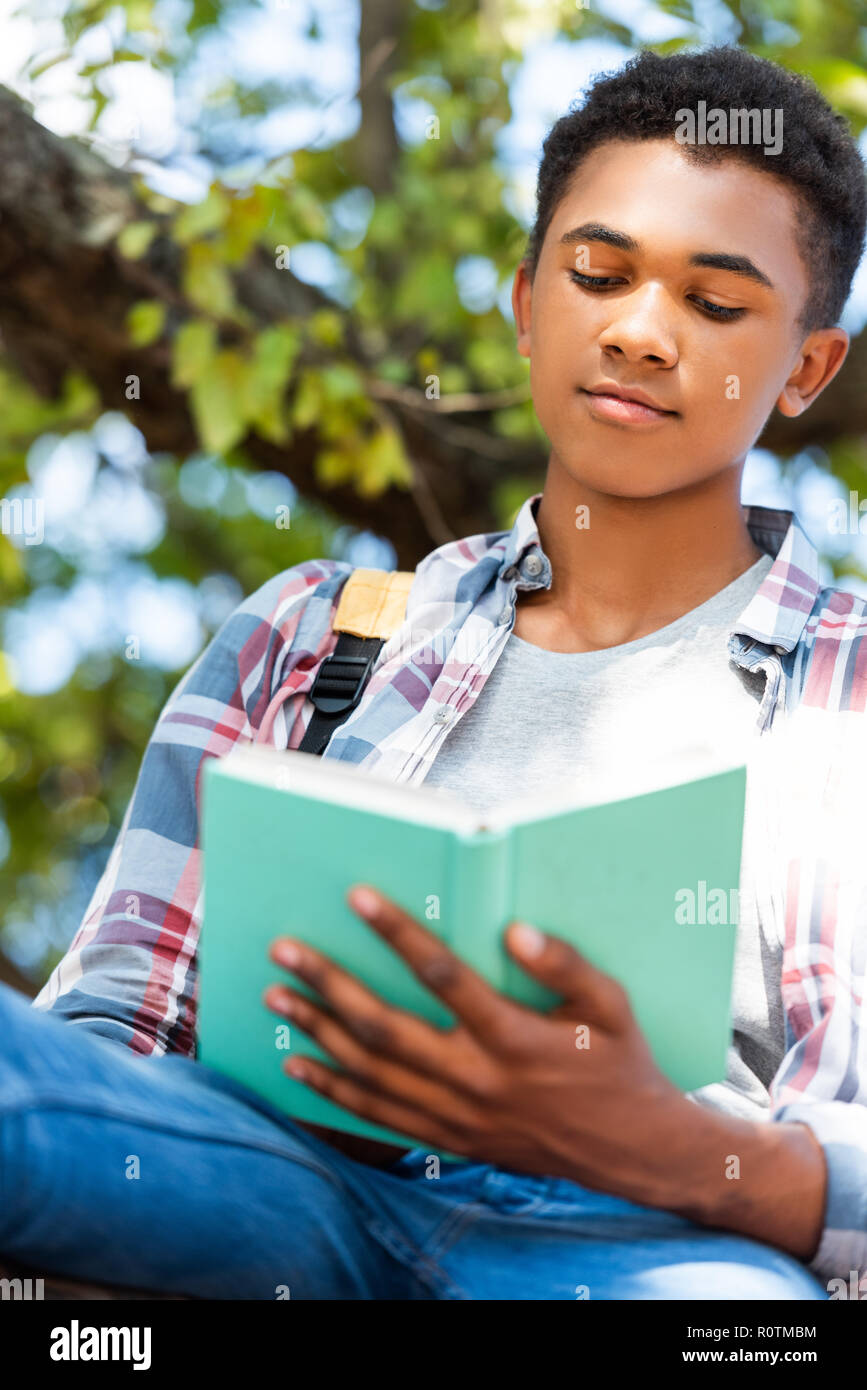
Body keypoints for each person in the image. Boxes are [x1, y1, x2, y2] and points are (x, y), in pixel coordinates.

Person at [2, 45, 865, 1300]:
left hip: (651, 1244)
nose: (638, 331)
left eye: (715, 305)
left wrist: (686, 1150)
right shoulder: (313, 628)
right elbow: (110, 1037)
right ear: (525, 304)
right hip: (275, 1173)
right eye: (598, 275)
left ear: (804, 368)